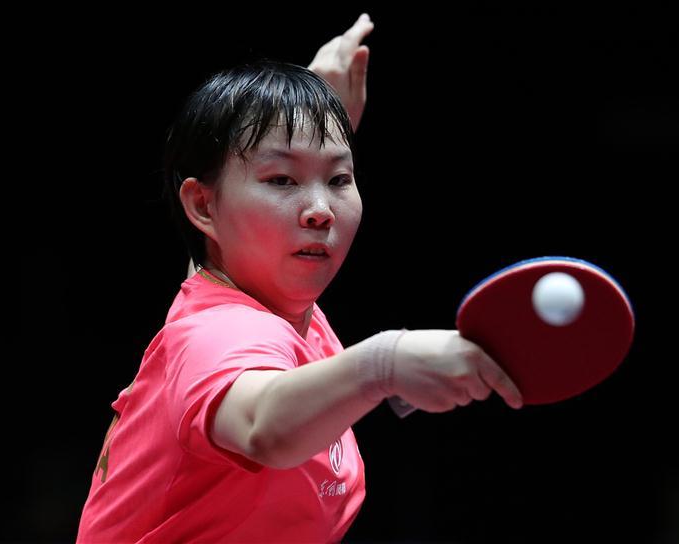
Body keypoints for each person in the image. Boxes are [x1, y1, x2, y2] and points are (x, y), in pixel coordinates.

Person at [76, 13, 523, 543]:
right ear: (203, 205)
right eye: (281, 179)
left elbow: (217, 239)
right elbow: (262, 425)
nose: (320, 210)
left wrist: (307, 110)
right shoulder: (216, 334)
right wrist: (385, 363)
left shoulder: (254, 293)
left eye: (339, 178)